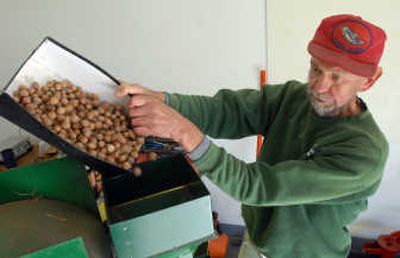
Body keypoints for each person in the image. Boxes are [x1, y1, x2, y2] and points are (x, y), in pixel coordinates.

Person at [116, 14, 388, 258]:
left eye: (336, 77)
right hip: (257, 240)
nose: (319, 86)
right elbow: (224, 111)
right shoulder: (292, 97)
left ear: (368, 80)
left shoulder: (364, 153)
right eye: (316, 69)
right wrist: (163, 100)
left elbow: (256, 186)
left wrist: (184, 132)